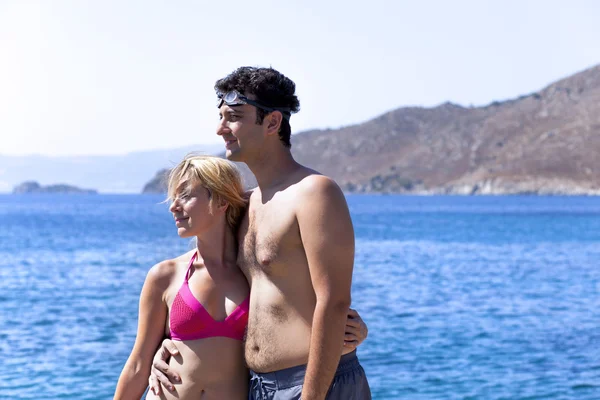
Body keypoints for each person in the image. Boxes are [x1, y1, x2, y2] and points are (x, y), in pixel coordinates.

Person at [151, 67, 371, 399]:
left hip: (314, 383)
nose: (221, 128)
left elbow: (334, 301)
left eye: (234, 117)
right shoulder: (244, 205)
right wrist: (166, 347)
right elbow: (210, 275)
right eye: (221, 116)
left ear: (272, 123)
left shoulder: (314, 193)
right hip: (257, 387)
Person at [114, 155, 367, 400]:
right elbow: (138, 364)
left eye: (186, 196)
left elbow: (309, 310)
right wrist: (162, 350)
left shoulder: (254, 276)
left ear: (222, 202)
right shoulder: (165, 276)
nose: (173, 206)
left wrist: (351, 332)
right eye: (173, 197)